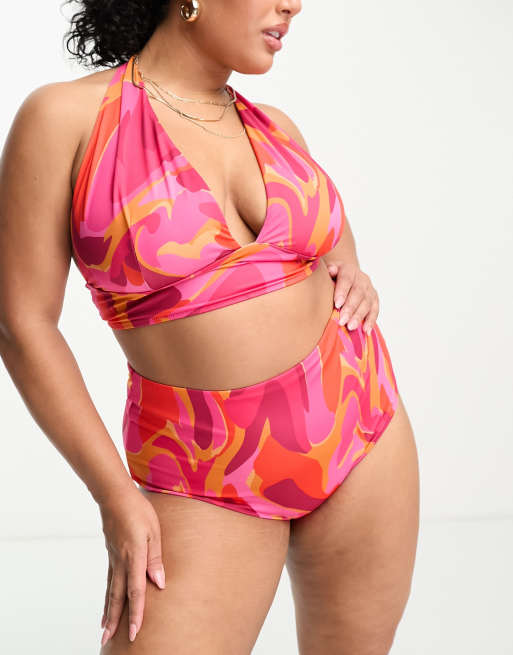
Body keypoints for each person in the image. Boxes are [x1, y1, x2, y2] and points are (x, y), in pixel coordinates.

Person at [0, 1, 420, 653]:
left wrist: (354, 273)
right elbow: (21, 323)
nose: (293, 4)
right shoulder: (65, 117)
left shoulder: (276, 127)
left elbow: (329, 245)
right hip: (203, 466)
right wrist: (114, 494)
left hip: (360, 424)